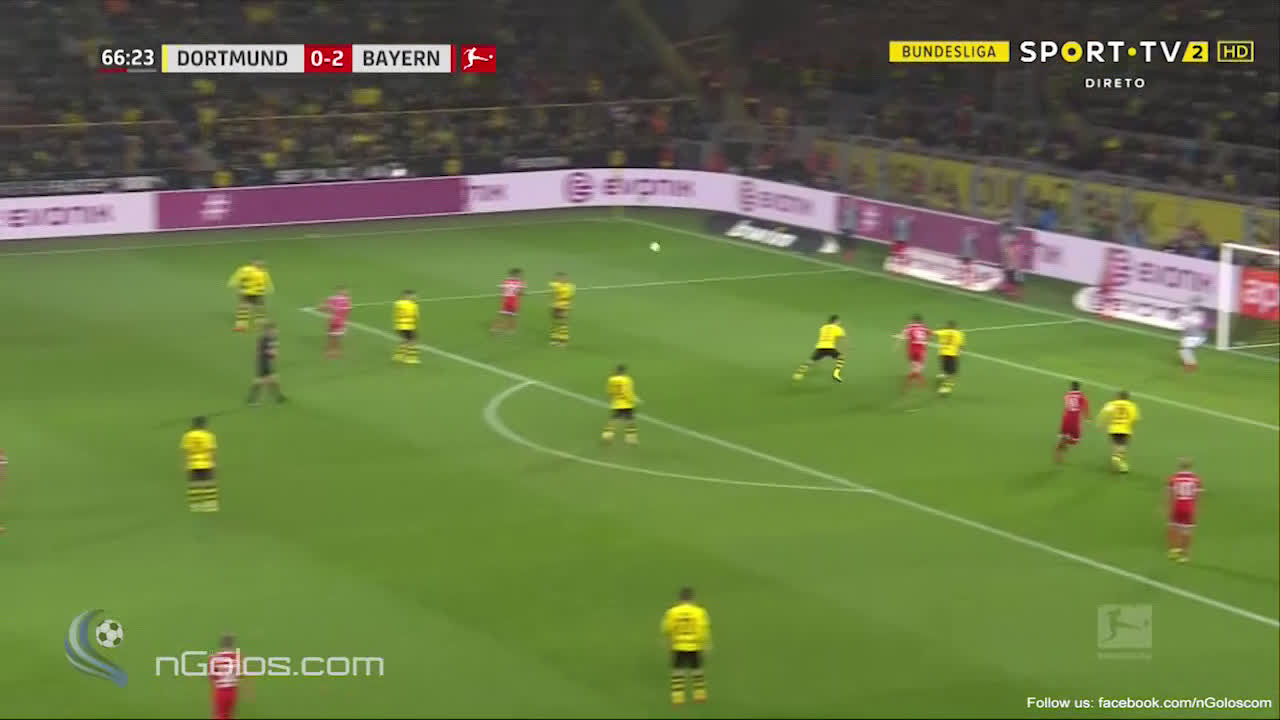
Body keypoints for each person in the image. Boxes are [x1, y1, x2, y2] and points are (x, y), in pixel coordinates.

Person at [661, 587, 711, 705]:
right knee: (697, 670)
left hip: (678, 645)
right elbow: (702, 629)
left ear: (680, 599)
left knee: (678, 671)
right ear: (692, 598)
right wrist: (705, 643)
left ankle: (678, 697)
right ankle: (699, 695)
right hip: (695, 645)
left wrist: (668, 642)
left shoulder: (672, 612)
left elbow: (667, 629)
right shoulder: (699, 612)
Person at [1167, 458, 1202, 563]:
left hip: (1177, 506)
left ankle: (1174, 551)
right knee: (1187, 531)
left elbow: (1170, 495)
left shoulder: (1174, 478)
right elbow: (1198, 496)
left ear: (1179, 466)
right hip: (1189, 507)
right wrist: (1196, 508)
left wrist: (1167, 507)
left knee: (1173, 528)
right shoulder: (1196, 480)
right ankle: (1185, 555)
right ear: (1190, 467)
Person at [792, 315, 847, 383]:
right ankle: (836, 373)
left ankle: (799, 373)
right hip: (830, 347)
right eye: (839, 321)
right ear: (836, 321)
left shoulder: (823, 327)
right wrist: (844, 347)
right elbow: (841, 339)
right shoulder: (838, 328)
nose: (840, 322)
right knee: (841, 357)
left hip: (820, 347)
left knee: (811, 360)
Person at [180, 417, 218, 512]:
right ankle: (210, 504)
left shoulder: (187, 436)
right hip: (206, 462)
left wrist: (185, 463)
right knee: (209, 483)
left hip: (193, 463)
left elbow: (186, 451)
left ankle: (195, 504)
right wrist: (214, 462)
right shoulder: (209, 436)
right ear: (203, 425)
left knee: (194, 484)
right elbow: (212, 450)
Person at [1097, 390, 1140, 473]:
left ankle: (1119, 462)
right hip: (1125, 429)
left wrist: (1100, 423)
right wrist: (1131, 425)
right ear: (1127, 398)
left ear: (1118, 396)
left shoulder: (1112, 404)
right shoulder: (1131, 405)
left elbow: (1104, 413)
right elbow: (1134, 418)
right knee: (1122, 446)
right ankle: (1118, 459)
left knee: (1116, 444)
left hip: (1113, 428)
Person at [227, 259, 273, 332]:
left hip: (251, 293)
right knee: (254, 309)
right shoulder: (262, 272)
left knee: (245, 308)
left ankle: (243, 326)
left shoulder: (248, 270)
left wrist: (234, 283)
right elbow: (267, 282)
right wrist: (269, 288)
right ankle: (252, 325)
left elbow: (239, 277)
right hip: (254, 293)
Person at [247, 323, 286, 405]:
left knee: (274, 379)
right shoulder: (263, 340)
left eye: (275, 330)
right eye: (273, 330)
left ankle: (279, 397)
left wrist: (273, 352)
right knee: (262, 381)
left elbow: (273, 351)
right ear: (268, 331)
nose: (275, 331)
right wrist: (272, 353)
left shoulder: (272, 339)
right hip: (263, 362)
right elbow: (261, 351)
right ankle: (252, 399)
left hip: (267, 361)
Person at [209, 634, 245, 719]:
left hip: (220, 691)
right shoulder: (237, 657)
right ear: (232, 644)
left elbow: (212, 677)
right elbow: (240, 675)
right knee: (229, 715)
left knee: (220, 715)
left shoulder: (215, 658)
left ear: (221, 644)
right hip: (232, 691)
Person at [1054, 381, 1091, 463]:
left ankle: (1059, 453)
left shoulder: (1067, 395)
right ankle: (1065, 442)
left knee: (1063, 436)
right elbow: (1085, 406)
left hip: (1066, 418)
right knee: (1075, 441)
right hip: (1074, 420)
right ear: (1079, 388)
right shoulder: (1081, 396)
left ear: (1071, 387)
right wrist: (1087, 418)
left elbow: (1067, 404)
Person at [603, 364, 640, 445]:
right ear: (624, 371)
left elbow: (610, 392)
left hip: (616, 403)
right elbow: (627, 392)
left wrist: (612, 399)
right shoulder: (627, 380)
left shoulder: (611, 380)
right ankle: (631, 439)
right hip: (627, 404)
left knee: (613, 420)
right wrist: (634, 399)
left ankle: (607, 436)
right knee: (630, 421)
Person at [933, 320, 965, 396]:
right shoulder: (959, 334)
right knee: (951, 372)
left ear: (948, 326)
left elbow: (933, 333)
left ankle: (946, 383)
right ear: (955, 327)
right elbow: (961, 346)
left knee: (945, 369)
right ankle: (946, 386)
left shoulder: (944, 331)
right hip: (952, 354)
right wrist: (959, 352)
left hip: (943, 353)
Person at [899, 314, 930, 390]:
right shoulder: (924, 327)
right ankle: (915, 381)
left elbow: (903, 335)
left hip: (912, 350)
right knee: (918, 368)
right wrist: (926, 340)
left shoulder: (909, 327)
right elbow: (930, 334)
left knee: (914, 366)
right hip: (921, 350)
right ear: (920, 321)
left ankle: (912, 381)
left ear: (914, 321)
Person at [492, 269, 525, 335]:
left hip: (509, 301)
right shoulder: (519, 283)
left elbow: (503, 291)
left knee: (505, 315)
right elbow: (520, 292)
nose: (519, 276)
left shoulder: (507, 281)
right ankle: (509, 329)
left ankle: (497, 328)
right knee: (509, 316)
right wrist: (521, 293)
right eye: (518, 275)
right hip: (511, 302)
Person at [1178, 299, 1206, 372]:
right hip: (1191, 335)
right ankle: (1188, 362)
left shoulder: (1197, 315)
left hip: (1197, 336)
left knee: (1185, 349)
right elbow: (1184, 325)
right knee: (1185, 349)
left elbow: (1196, 323)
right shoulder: (1187, 315)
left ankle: (1191, 365)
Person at [392, 290, 420, 364]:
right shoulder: (413, 305)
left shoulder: (398, 303)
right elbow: (416, 316)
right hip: (409, 326)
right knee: (413, 341)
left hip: (399, 325)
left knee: (404, 340)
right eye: (413, 295)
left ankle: (398, 356)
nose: (415, 297)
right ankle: (410, 358)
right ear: (408, 296)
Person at [324, 286, 352, 359]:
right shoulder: (347, 300)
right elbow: (348, 310)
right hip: (341, 322)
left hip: (335, 321)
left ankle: (331, 351)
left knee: (332, 337)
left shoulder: (333, 299)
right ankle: (336, 351)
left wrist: (328, 308)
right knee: (336, 337)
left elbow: (326, 307)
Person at [549, 272, 575, 347]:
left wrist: (558, 290)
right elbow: (551, 284)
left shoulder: (570, 286)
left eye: (563, 278)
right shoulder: (557, 284)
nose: (562, 279)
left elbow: (570, 296)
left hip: (564, 306)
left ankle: (563, 341)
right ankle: (554, 339)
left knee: (563, 323)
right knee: (555, 322)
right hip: (556, 305)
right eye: (560, 278)